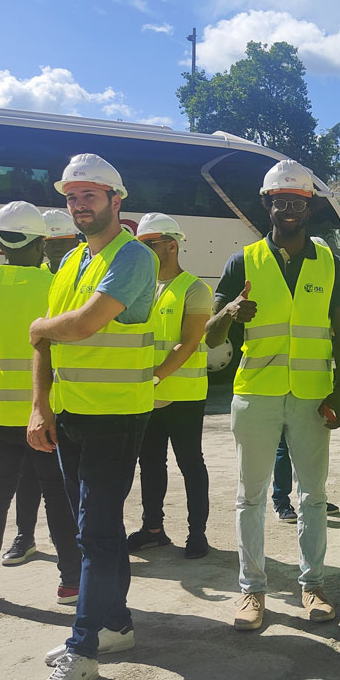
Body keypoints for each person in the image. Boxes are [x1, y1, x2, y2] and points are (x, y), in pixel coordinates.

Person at [26, 154, 158, 680]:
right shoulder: (74, 261)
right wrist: (41, 406)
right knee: (97, 530)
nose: (79, 205)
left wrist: (37, 326)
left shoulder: (132, 259)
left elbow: (79, 324)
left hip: (115, 415)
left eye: (90, 196)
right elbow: (49, 344)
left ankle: (83, 650)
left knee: (95, 533)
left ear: (115, 200)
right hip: (73, 414)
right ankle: (116, 626)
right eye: (72, 197)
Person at [204, 159, 340, 632]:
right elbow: (209, 338)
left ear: (309, 207)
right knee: (251, 497)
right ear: (267, 204)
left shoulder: (329, 260)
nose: (289, 209)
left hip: (312, 396)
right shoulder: (242, 261)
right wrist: (229, 310)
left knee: (313, 496)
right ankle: (252, 592)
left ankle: (312, 586)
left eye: (299, 202)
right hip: (257, 394)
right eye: (280, 201)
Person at [0, 201, 81, 610]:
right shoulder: (55, 286)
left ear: (0, 240)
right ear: (40, 244)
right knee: (58, 495)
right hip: (47, 411)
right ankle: (71, 583)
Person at [126, 213, 213, 559]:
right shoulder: (138, 288)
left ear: (171, 246)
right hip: (148, 393)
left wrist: (155, 378)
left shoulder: (194, 288)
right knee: (150, 463)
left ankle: (197, 534)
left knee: (190, 462)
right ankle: (153, 529)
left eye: (149, 244)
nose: (142, 251)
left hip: (182, 396)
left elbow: (189, 342)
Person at [2, 207, 83, 567]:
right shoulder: (33, 280)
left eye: (63, 243)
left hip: (63, 395)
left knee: (61, 478)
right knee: (28, 476)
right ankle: (25, 536)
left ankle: (75, 544)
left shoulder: (74, 282)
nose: (56, 251)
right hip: (29, 393)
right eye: (50, 244)